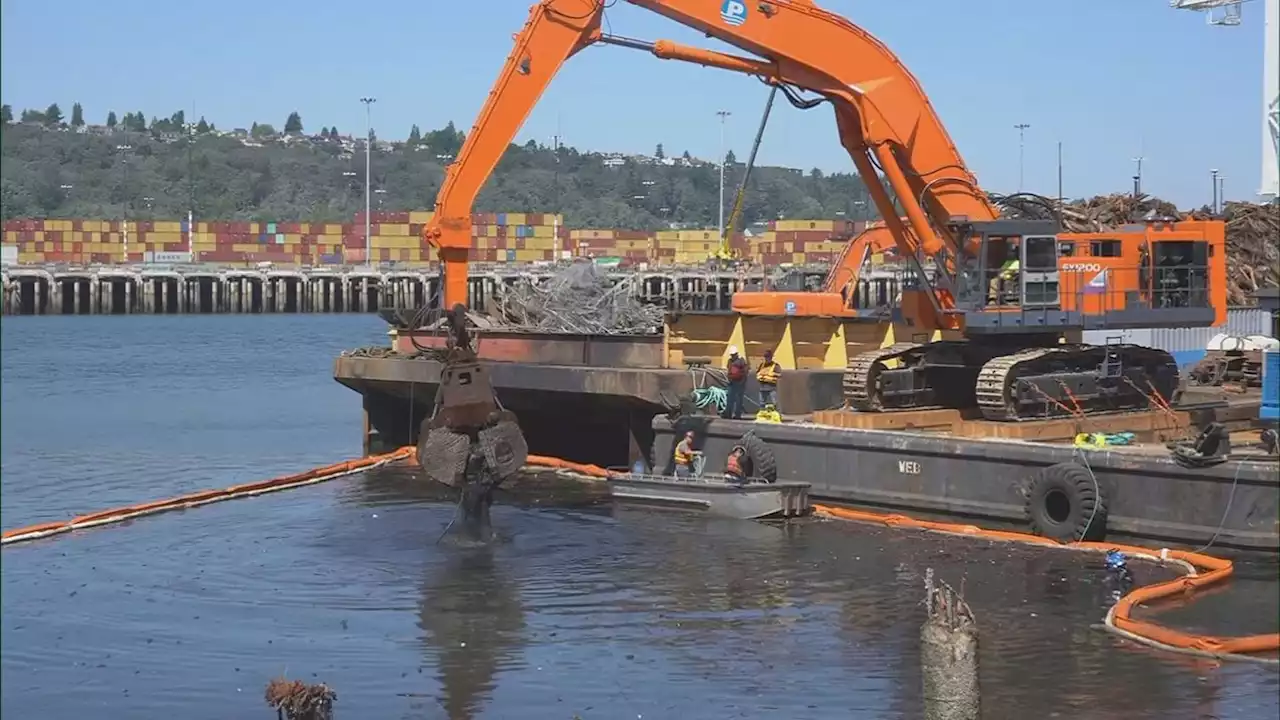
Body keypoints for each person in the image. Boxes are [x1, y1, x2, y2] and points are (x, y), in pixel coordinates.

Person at [724, 345, 748, 419]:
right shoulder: (730, 361)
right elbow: (729, 370)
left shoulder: (741, 361)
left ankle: (737, 415)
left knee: (738, 400)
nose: (733, 356)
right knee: (730, 399)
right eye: (732, 355)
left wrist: (742, 382)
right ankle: (728, 414)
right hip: (731, 382)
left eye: (734, 354)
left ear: (737, 354)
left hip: (739, 383)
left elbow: (745, 372)